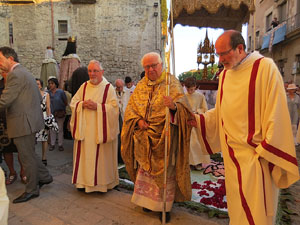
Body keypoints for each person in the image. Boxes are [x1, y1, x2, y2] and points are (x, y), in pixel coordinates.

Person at [194, 30, 299, 225]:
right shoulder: (225, 75)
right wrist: (199, 120)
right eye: (217, 54)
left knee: (257, 214)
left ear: (240, 48)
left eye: (223, 53)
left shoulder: (265, 68)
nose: (220, 59)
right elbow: (221, 112)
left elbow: (277, 112)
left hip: (256, 158)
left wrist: (264, 151)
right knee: (238, 211)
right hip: (232, 159)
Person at [121, 52, 193, 223]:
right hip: (144, 138)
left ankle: (164, 208)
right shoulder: (140, 85)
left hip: (165, 138)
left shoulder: (171, 83)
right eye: (147, 66)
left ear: (161, 65)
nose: (151, 69)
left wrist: (174, 106)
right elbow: (131, 109)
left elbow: (185, 111)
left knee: (165, 173)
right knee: (145, 172)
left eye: (154, 65)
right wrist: (138, 121)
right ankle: (147, 203)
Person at [0, 47, 53, 203]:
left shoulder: (14, 75)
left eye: (0, 59)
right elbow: (37, 96)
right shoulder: (24, 72)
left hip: (22, 123)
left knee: (26, 158)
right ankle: (45, 177)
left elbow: (5, 100)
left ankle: (31, 190)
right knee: (30, 154)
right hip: (28, 121)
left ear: (10, 59)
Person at [70, 60, 119, 193]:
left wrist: (97, 107)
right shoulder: (84, 86)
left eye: (95, 71)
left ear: (102, 72)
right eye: (90, 71)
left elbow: (114, 109)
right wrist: (81, 104)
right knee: (85, 157)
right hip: (85, 131)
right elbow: (73, 102)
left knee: (101, 159)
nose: (92, 74)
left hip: (100, 132)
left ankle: (103, 185)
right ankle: (82, 183)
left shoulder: (109, 88)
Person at [0, 70, 26, 184]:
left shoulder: (17, 83)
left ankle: (23, 172)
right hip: (2, 123)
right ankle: (12, 172)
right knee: (7, 149)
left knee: (21, 149)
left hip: (18, 121)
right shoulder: (0, 85)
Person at [184, 77, 210, 170]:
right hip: (187, 122)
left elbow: (205, 109)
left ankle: (198, 162)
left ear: (195, 87)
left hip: (197, 121)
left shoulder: (200, 96)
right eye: (188, 89)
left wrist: (197, 112)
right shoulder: (183, 97)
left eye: (191, 89)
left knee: (197, 143)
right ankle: (191, 162)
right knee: (189, 143)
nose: (190, 91)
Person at [47, 77, 67, 151]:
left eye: (52, 83)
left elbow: (65, 102)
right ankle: (52, 144)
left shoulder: (61, 92)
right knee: (52, 129)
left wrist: (62, 110)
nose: (50, 85)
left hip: (60, 113)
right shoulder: (48, 93)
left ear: (55, 84)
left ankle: (60, 144)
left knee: (60, 129)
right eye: (49, 84)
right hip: (51, 113)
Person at [35, 78, 52, 166]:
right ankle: (33, 157)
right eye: (35, 84)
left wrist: (49, 119)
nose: (36, 85)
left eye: (38, 84)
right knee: (33, 139)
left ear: (41, 85)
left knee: (44, 138)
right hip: (34, 118)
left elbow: (48, 107)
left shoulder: (46, 94)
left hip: (43, 117)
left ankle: (44, 157)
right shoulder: (31, 94)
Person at [115, 79, 125, 164]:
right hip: (116, 119)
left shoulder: (128, 92)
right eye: (118, 87)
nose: (120, 89)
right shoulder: (112, 93)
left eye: (121, 87)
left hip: (125, 118)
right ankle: (118, 157)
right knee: (117, 139)